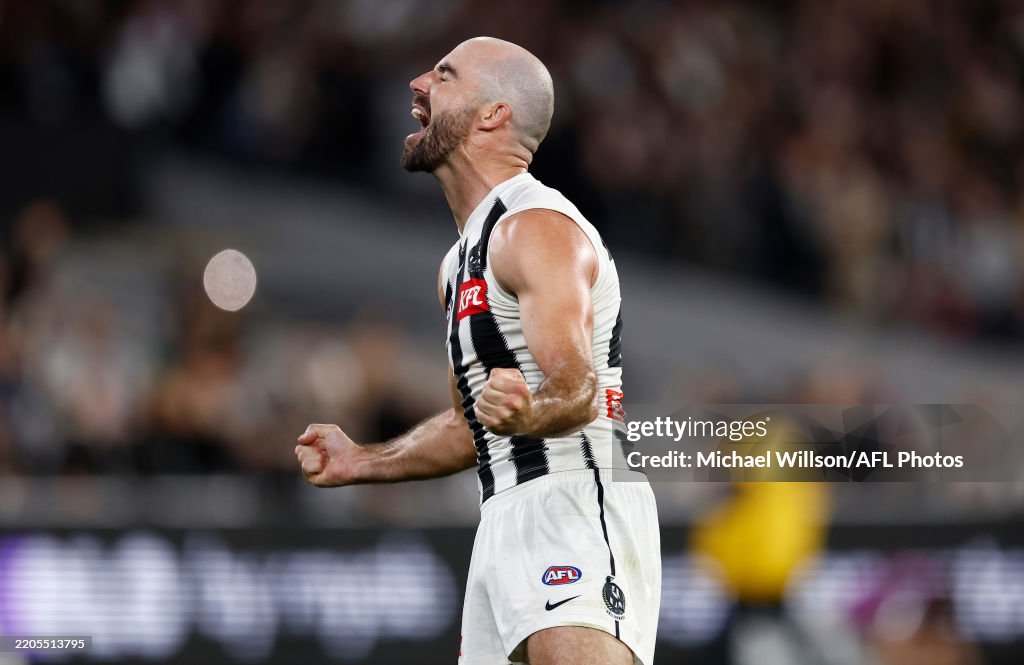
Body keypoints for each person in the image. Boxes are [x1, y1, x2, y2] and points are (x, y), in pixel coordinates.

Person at [294, 37, 660, 665]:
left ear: (492, 114)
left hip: (571, 501)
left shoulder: (536, 227)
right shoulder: (457, 262)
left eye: (443, 75)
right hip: (502, 518)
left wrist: (527, 413)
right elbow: (473, 426)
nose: (416, 83)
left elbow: (578, 386)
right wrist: (363, 462)